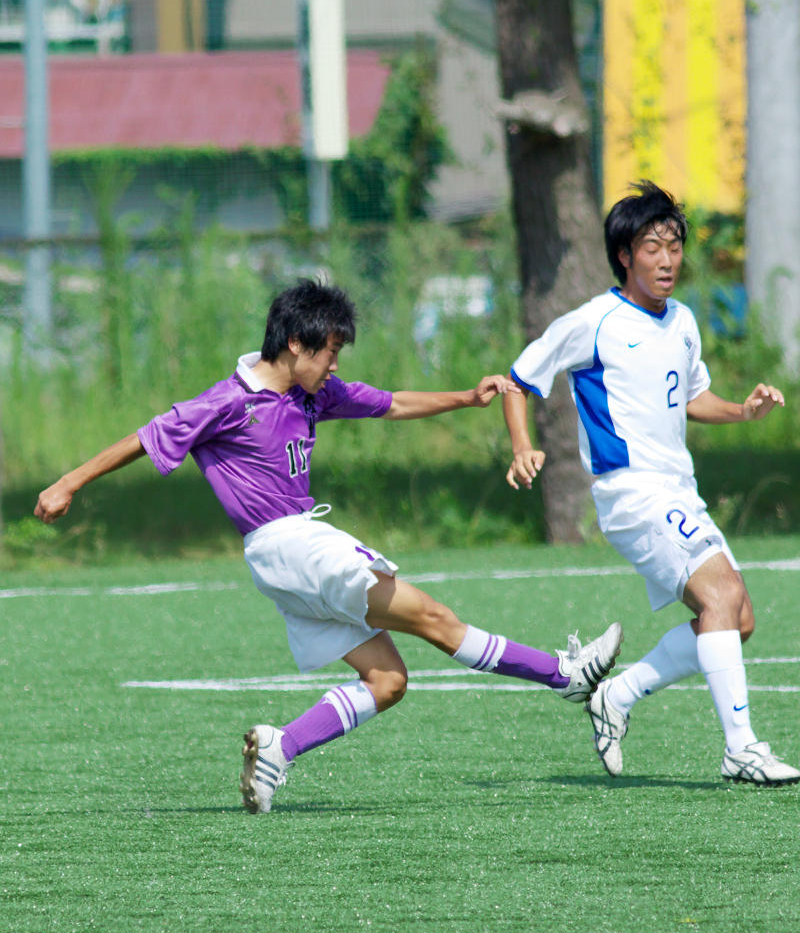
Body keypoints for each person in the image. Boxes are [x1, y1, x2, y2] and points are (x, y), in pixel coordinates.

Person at [35, 278, 622, 813]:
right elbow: (144, 438)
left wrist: (467, 398)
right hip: (292, 544)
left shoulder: (314, 393)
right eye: (331, 350)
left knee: (388, 682)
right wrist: (67, 484)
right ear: (295, 343)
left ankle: (279, 747)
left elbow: (391, 403)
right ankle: (564, 674)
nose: (335, 363)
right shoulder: (226, 403)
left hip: (285, 559)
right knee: (433, 617)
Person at [503, 182, 800, 786]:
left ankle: (618, 695)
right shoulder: (595, 321)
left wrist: (742, 410)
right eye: (652, 247)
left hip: (678, 490)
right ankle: (741, 749)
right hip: (632, 493)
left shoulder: (684, 321)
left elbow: (693, 397)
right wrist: (523, 445)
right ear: (624, 256)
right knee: (719, 600)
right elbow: (518, 380)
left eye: (674, 246)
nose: (667, 260)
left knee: (736, 620)